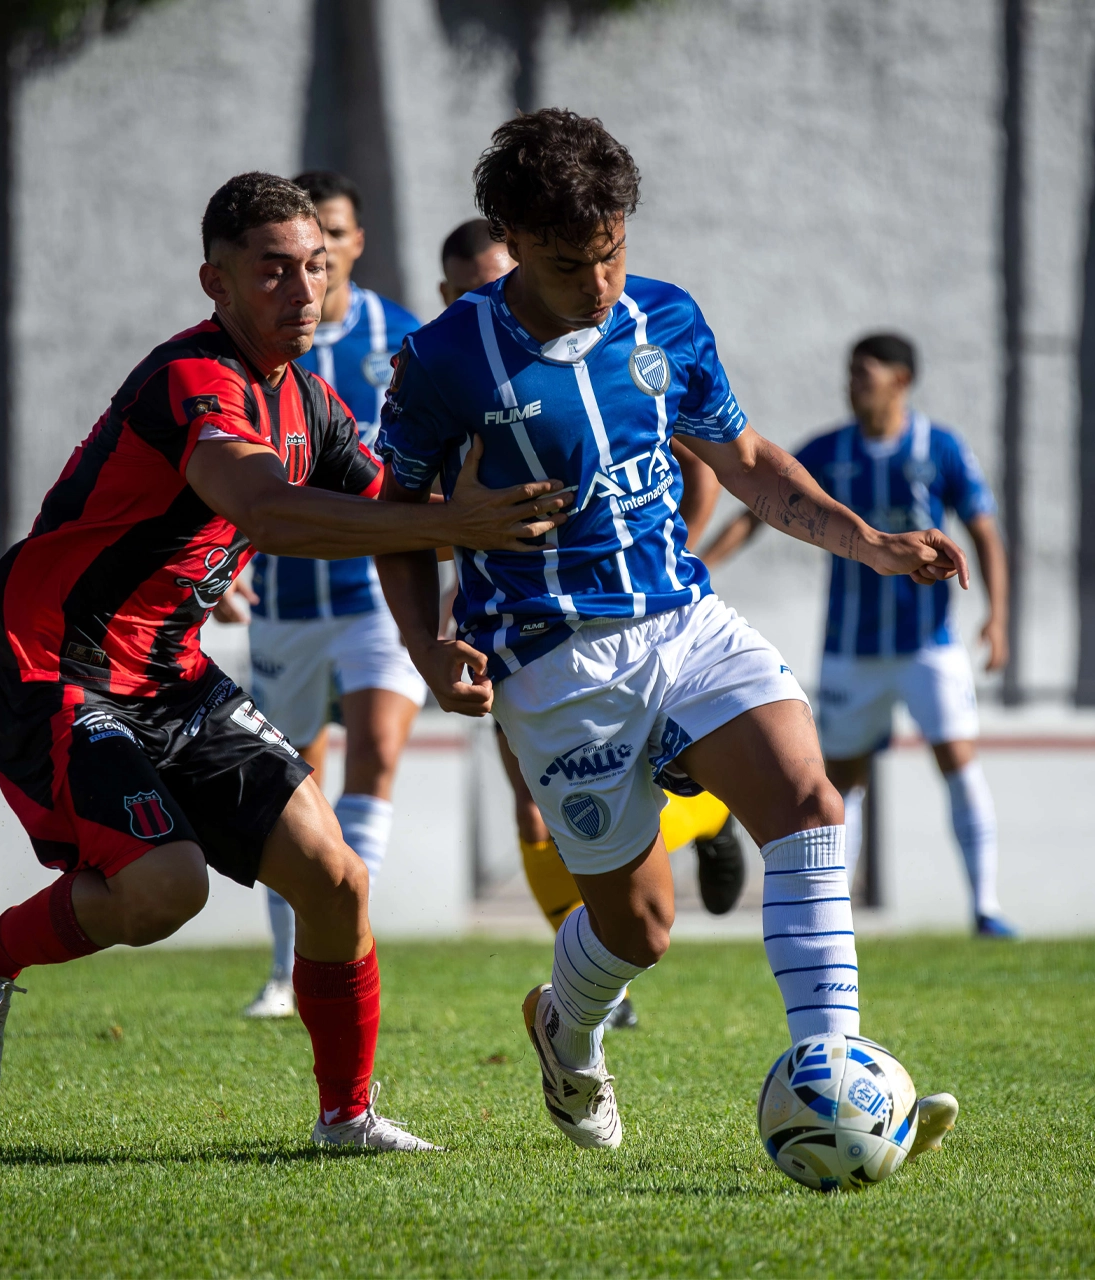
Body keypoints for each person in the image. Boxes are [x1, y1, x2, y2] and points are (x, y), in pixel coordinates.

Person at [0, 171, 573, 1152]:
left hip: (172, 673)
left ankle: (346, 1115)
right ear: (216, 284)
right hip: (63, 669)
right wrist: (454, 518)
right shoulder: (195, 379)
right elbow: (268, 509)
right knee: (165, 888)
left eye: (314, 265)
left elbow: (396, 523)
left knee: (337, 879)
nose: (300, 288)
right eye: (272, 269)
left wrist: (444, 631)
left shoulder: (311, 400)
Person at [374, 111, 963, 1153]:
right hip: (553, 661)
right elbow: (397, 518)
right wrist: (426, 646)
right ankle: (566, 1026)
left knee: (812, 802)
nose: (599, 280)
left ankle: (838, 1085)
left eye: (612, 252)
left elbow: (744, 459)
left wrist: (868, 541)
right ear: (510, 237)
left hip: (685, 620)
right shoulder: (442, 360)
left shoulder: (667, 319)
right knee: (640, 927)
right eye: (568, 263)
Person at [441, 223, 749, 1033]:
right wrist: (459, 531)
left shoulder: (613, 344)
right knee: (533, 811)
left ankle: (704, 822)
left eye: (495, 276)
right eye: (462, 285)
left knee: (569, 814)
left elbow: (696, 449)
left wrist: (671, 534)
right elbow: (411, 520)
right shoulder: (449, 363)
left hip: (631, 620)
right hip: (507, 625)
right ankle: (599, 993)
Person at [700, 333, 1017, 937]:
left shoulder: (940, 448)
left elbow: (985, 533)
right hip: (851, 650)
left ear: (900, 380)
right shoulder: (829, 449)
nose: (852, 385)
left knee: (957, 759)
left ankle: (986, 906)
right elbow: (759, 512)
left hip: (929, 645)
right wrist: (701, 567)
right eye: (849, 374)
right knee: (841, 779)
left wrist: (997, 618)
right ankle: (834, 917)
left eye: (864, 374)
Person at [227, 171, 429, 1021]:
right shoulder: (254, 349)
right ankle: (286, 968)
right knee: (294, 787)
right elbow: (230, 461)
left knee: (378, 750)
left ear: (354, 241)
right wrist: (225, 559)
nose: (328, 252)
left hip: (375, 594)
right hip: (285, 599)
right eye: (313, 239)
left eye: (338, 235)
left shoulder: (405, 337)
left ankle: (344, 936)